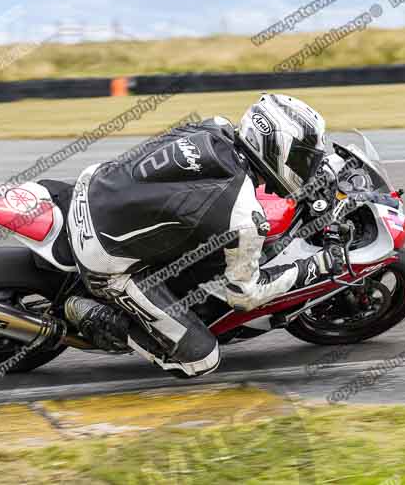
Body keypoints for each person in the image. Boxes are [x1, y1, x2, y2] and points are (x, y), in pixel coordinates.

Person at [64, 93, 344, 377]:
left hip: (92, 185)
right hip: (104, 259)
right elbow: (245, 296)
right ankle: (100, 317)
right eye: (301, 158)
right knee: (202, 360)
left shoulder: (214, 127)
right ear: (277, 148)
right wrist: (313, 267)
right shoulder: (243, 214)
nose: (304, 168)